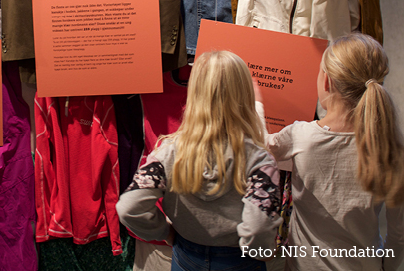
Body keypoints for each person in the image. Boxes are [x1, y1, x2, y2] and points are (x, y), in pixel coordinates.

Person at [116, 50, 282, 271]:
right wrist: (260, 250)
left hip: (186, 255)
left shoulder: (167, 152)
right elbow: (259, 228)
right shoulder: (260, 160)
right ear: (244, 95)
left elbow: (129, 208)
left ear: (194, 93)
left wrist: (165, 232)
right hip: (240, 260)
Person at [265, 33, 404, 270]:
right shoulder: (391, 147)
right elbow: (399, 234)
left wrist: (254, 103)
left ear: (327, 81)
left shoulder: (301, 136)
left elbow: (260, 147)